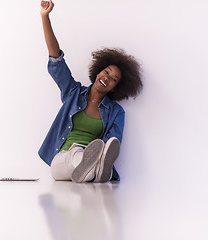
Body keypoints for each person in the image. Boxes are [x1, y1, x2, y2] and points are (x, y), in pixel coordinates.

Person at [38, 0, 143, 183]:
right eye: (107, 72)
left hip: (91, 157)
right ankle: (96, 168)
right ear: (98, 70)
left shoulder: (116, 112)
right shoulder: (73, 93)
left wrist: (101, 152)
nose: (107, 78)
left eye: (114, 79)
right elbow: (56, 60)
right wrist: (45, 17)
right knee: (77, 156)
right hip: (63, 160)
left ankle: (93, 168)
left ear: (116, 88)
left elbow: (112, 143)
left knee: (94, 157)